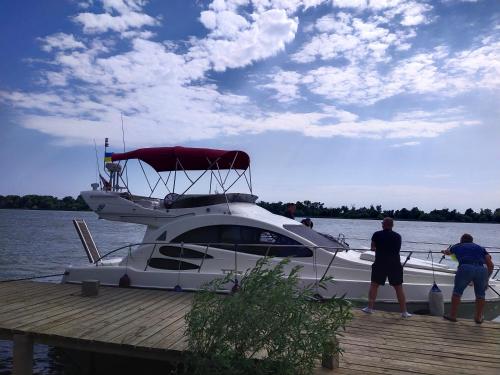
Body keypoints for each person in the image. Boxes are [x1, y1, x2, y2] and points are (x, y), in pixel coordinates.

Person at [362, 217, 412, 318]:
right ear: (392, 225)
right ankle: (404, 312)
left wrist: (378, 249)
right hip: (394, 264)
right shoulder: (398, 236)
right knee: (398, 287)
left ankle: (370, 308)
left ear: (383, 224)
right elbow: (397, 249)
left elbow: (372, 248)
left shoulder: (377, 234)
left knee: (374, 285)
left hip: (380, 263)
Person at [441, 233, 494, 323]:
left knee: (457, 292)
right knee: (480, 295)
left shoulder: (458, 246)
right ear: (472, 241)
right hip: (481, 270)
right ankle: (478, 317)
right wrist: (486, 279)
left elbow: (448, 252)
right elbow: (490, 265)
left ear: (461, 240)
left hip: (465, 267)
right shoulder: (480, 248)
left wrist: (443, 251)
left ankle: (453, 316)